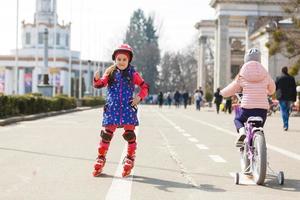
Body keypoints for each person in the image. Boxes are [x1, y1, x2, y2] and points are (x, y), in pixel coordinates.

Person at [92, 44, 149, 177]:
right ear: (115, 59)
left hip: (128, 110)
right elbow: (100, 84)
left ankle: (130, 158)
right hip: (112, 109)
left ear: (129, 60)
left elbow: (144, 87)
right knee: (106, 135)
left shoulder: (133, 74)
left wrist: (139, 97)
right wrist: (96, 79)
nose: (121, 62)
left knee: (130, 135)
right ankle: (100, 158)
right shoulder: (110, 72)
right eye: (119, 59)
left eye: (124, 59)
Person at [220, 48, 275, 147]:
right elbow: (272, 89)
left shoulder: (242, 74)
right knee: (259, 126)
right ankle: (259, 146)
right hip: (262, 110)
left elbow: (232, 88)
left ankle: (242, 132)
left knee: (238, 119)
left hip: (247, 109)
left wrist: (222, 93)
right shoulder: (265, 73)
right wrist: (268, 91)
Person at [275, 66, 297, 131]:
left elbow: (275, 87)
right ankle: (286, 124)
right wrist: (294, 99)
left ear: (282, 71)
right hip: (289, 97)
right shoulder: (291, 78)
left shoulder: (279, 78)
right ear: (287, 71)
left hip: (281, 97)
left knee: (283, 110)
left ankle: (285, 125)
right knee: (287, 111)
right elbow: (294, 89)